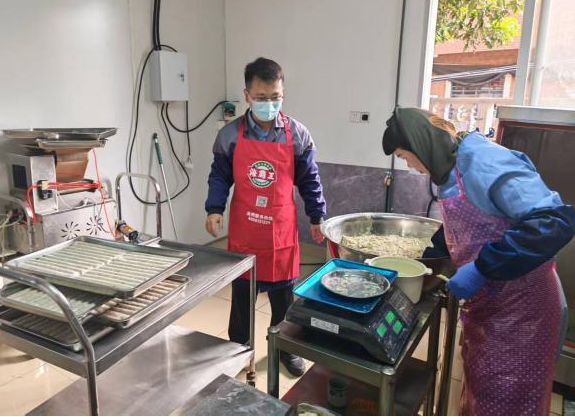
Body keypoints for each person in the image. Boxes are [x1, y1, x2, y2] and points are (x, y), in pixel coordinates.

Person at [382, 107, 574, 416]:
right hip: (490, 307)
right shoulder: (452, 170)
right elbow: (468, 225)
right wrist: (425, 263)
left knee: (508, 400)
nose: (412, 168)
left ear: (421, 144)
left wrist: (483, 267)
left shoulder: (484, 161)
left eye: (406, 157)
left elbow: (551, 221)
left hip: (524, 312)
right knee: (482, 392)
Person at [205, 57, 327, 377]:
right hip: (245, 229)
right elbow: (219, 176)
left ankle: (285, 348)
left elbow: (310, 180)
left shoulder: (297, 134)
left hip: (281, 232)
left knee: (284, 299)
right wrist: (214, 208)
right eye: (262, 97)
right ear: (247, 95)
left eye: (276, 97)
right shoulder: (229, 136)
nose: (269, 104)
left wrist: (317, 216)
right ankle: (237, 351)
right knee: (242, 300)